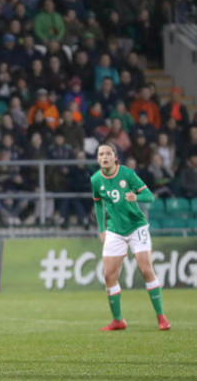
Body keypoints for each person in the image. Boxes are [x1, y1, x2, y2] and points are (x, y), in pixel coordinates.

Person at [90, 142, 170, 332]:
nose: (104, 157)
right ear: (97, 158)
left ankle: (161, 317)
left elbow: (150, 196)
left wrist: (137, 197)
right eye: (101, 154)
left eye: (108, 153)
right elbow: (98, 204)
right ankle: (118, 320)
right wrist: (102, 229)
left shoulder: (127, 174)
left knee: (146, 269)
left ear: (115, 157)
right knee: (109, 274)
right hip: (114, 230)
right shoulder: (95, 180)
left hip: (136, 227)